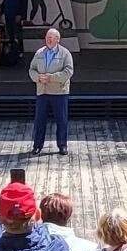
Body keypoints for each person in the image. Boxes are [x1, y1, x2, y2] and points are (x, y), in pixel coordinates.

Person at [29, 27, 73, 156]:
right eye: (47, 37)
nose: (48, 40)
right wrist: (38, 78)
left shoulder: (65, 53)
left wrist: (51, 78)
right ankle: (37, 146)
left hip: (59, 92)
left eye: (51, 37)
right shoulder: (39, 53)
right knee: (40, 120)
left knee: (61, 120)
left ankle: (62, 145)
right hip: (42, 91)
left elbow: (68, 71)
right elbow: (32, 69)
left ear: (58, 40)